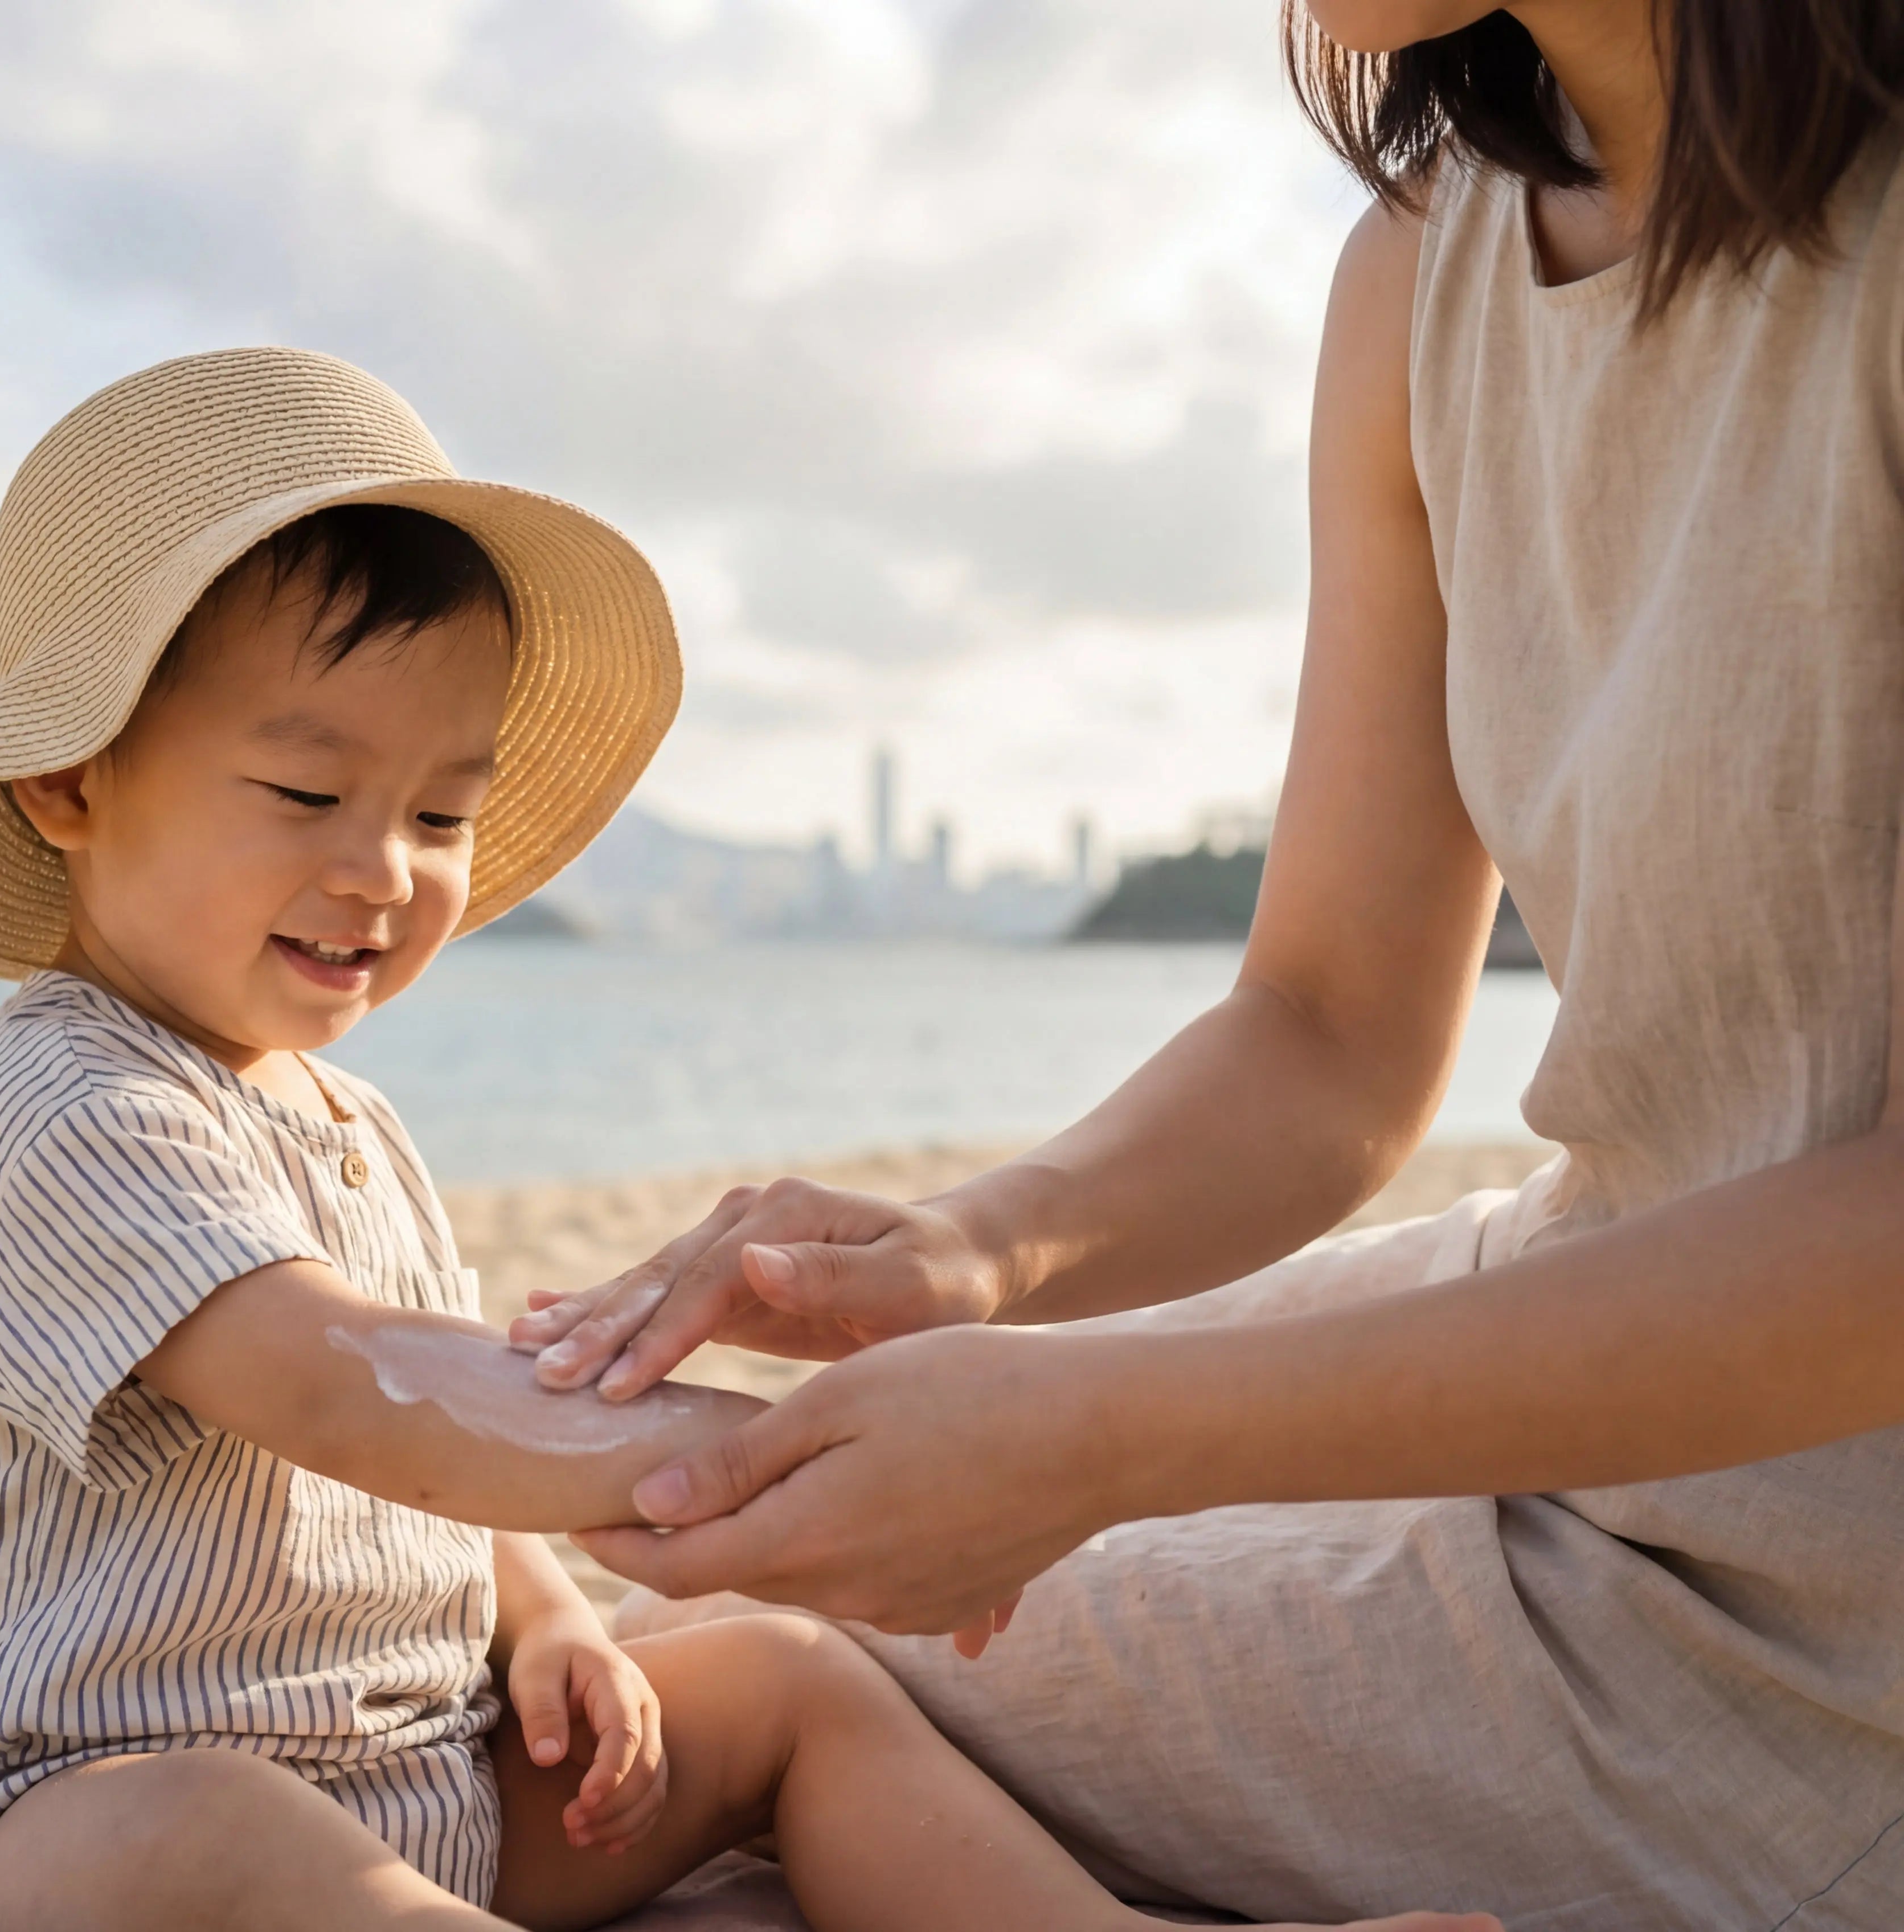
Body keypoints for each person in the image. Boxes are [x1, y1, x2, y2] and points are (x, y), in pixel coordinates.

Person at [510, 3, 1904, 1926]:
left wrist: (1105, 1432)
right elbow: (1328, 1028)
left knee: (777, 1711)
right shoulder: (1427, 269)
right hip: (1559, 1321)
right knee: (745, 1651)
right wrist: (980, 1255)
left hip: (1834, 1620)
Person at [0, 349, 1496, 1932]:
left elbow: (439, 1468)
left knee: (781, 1680)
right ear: (69, 781)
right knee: (185, 1839)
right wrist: (802, 1469)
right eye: (303, 795)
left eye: (439, 816)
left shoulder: (344, 1121)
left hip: (422, 1785)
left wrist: (550, 1618)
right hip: (74, 1831)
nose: (385, 871)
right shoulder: (64, 1108)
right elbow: (352, 1394)